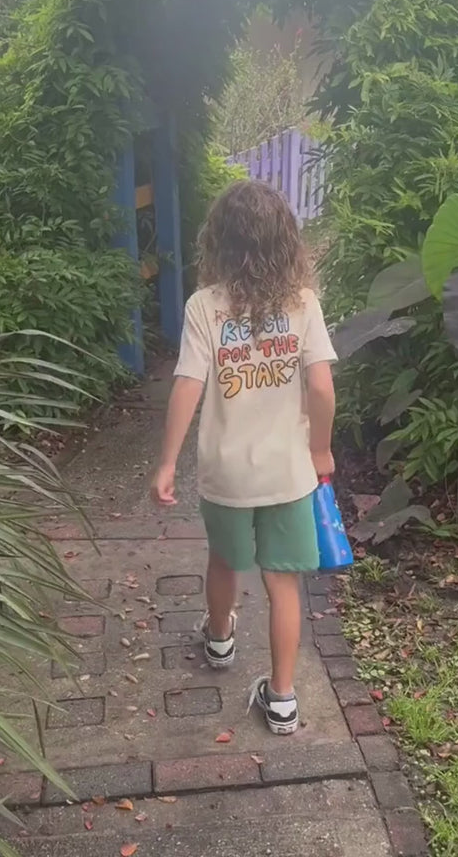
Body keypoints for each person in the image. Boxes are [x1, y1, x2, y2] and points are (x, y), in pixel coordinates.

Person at [150, 179, 337, 735]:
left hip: (226, 473)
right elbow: (322, 387)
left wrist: (166, 463)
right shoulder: (303, 304)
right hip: (288, 472)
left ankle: (220, 640)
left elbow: (187, 383)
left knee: (225, 560)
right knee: (283, 583)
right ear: (287, 240)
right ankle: (281, 699)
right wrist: (321, 447)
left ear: (220, 242)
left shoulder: (204, 307)